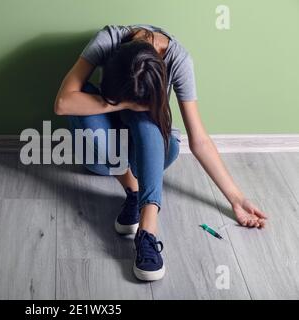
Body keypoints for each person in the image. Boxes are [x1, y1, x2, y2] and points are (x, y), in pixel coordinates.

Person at [54, 25, 267, 281]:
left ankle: (148, 229)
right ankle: (133, 191)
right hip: (101, 156)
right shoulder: (108, 40)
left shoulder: (178, 59)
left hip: (152, 157)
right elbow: (63, 103)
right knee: (83, 97)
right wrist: (124, 103)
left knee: (147, 117)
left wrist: (237, 198)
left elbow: (199, 140)